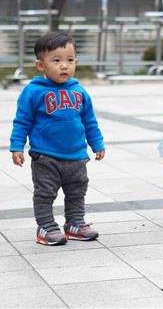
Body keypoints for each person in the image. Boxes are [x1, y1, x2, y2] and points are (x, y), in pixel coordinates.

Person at [10, 32, 105, 246]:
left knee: (77, 191)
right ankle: (45, 226)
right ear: (40, 65)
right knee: (45, 193)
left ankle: (75, 223)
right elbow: (22, 121)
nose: (64, 66)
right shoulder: (33, 92)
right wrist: (17, 146)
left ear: (76, 62)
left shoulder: (79, 91)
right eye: (57, 61)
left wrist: (97, 143)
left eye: (69, 60)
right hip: (46, 156)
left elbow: (89, 121)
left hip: (77, 156)